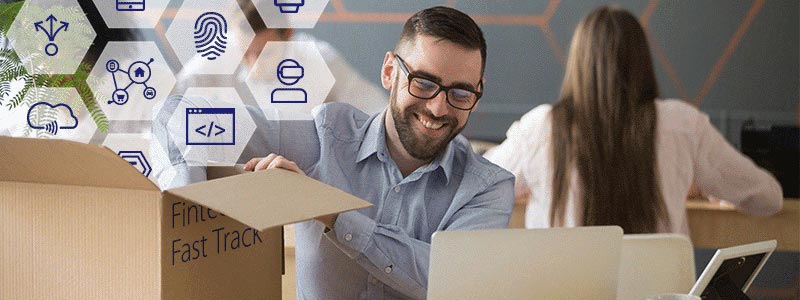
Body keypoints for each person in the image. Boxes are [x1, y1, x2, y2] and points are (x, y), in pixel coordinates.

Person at [153, 6, 513, 300]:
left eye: (461, 94)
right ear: (390, 72)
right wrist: (187, 221)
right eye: (423, 83)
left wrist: (329, 211)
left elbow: (452, 283)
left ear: (478, 93)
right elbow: (176, 118)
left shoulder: (487, 188)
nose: (438, 108)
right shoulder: (323, 137)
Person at [485, 6, 782, 234]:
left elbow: (477, 189)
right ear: (642, 61)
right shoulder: (683, 124)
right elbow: (768, 198)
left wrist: (527, 182)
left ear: (578, 63)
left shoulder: (541, 128)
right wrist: (702, 184)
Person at [174, 0, 387, 115]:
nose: (253, 66)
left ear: (288, 35)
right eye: (245, 53)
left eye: (262, 53)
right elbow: (172, 104)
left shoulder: (319, 60)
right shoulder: (218, 54)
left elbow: (377, 111)